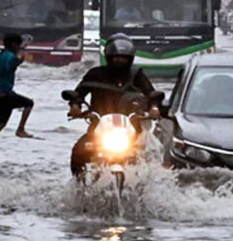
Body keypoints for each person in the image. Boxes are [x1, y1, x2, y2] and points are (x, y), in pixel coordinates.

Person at [67, 33, 162, 177]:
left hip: (131, 127)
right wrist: (75, 107)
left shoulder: (136, 74)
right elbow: (78, 94)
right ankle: (79, 186)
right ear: (109, 58)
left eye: (124, 58)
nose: (120, 61)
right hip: (99, 125)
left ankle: (146, 187)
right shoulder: (95, 74)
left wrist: (154, 108)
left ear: (130, 59)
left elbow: (151, 94)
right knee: (79, 151)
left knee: (150, 156)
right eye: (116, 58)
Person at [0, 34, 34, 164]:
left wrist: (21, 53)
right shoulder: (9, 56)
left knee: (1, 123)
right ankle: (20, 129)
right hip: (5, 95)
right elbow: (12, 65)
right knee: (29, 103)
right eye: (18, 45)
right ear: (14, 45)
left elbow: (13, 62)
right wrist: (21, 56)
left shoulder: (2, 54)